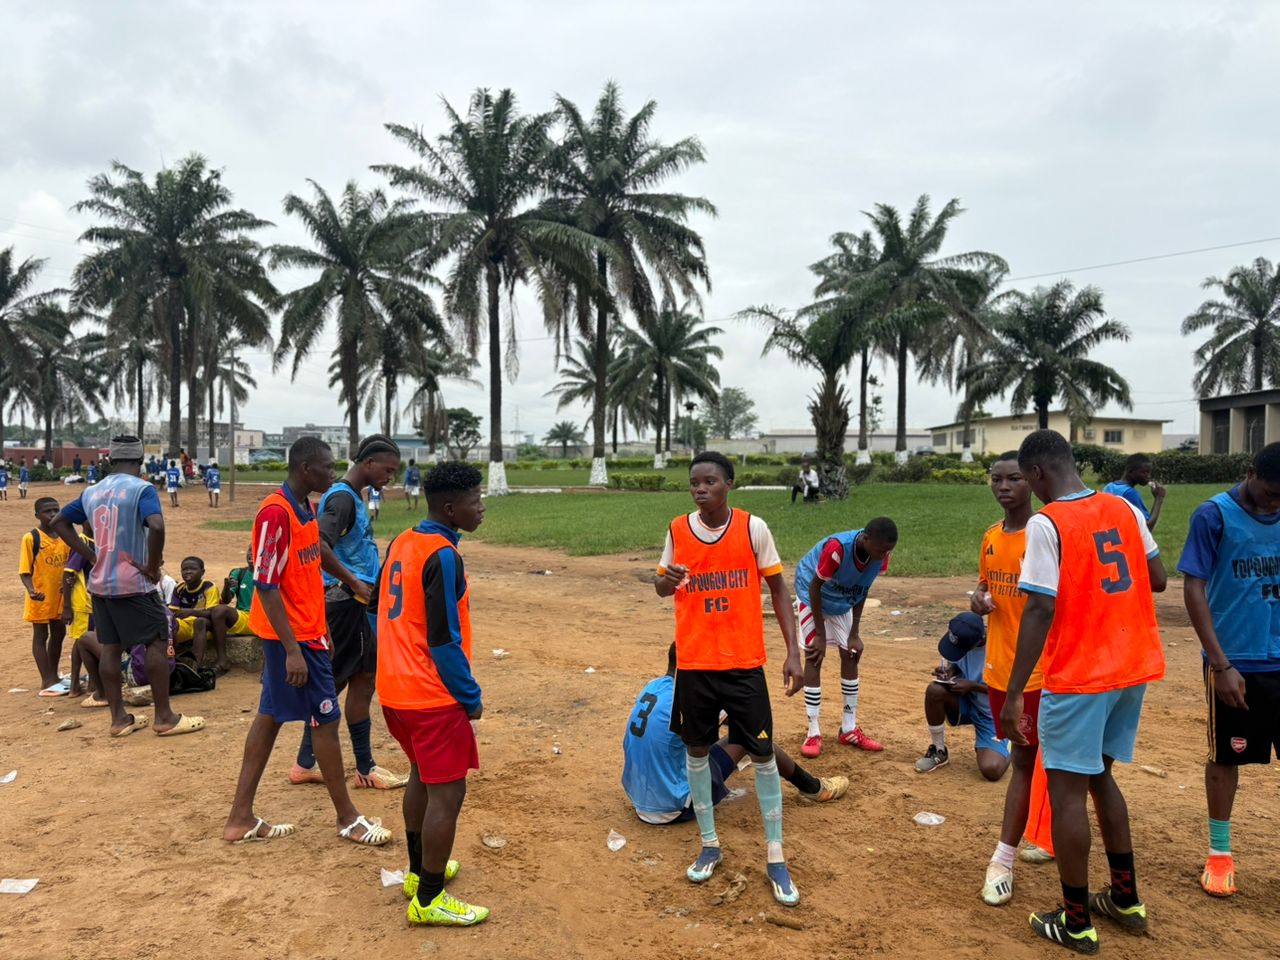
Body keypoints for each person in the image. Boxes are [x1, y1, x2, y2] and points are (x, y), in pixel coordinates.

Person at [1001, 429, 1165, 954]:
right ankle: (1125, 899)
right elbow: (1157, 577)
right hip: (1131, 667)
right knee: (1100, 778)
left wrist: (1013, 693)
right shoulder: (1125, 508)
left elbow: (1040, 606)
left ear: (1036, 474)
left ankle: (1076, 922)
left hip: (1080, 674)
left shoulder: (1047, 523)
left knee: (1067, 792)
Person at [223, 436, 391, 847]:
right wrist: (293, 650)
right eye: (327, 467)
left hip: (308, 631)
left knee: (270, 717)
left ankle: (240, 818)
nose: (333, 473)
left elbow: (313, 561)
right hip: (291, 638)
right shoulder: (275, 512)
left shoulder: (305, 509)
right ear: (305, 469)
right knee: (325, 721)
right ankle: (348, 818)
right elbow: (265, 585)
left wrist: (326, 621)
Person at [655, 451, 805, 906]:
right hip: (695, 665)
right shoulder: (677, 530)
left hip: (743, 664)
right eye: (694, 482)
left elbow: (779, 590)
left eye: (710, 482)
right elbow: (661, 587)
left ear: (729, 484)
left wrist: (793, 652)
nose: (700, 489)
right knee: (697, 750)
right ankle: (709, 844)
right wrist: (667, 579)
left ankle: (775, 855)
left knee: (762, 753)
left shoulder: (752, 528)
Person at [375, 461, 488, 925]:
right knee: (449, 793)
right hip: (431, 695)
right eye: (475, 501)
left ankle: (418, 873)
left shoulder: (402, 541)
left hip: (394, 690)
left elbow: (378, 609)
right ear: (450, 509)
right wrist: (469, 695)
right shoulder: (442, 555)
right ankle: (429, 899)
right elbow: (443, 641)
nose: (482, 507)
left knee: (421, 775)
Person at [1178, 441, 1280, 898]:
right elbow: (1193, 588)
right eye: (1271, 493)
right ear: (1250, 472)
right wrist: (1220, 664)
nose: (1275, 504)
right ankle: (1219, 855)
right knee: (1226, 756)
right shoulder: (1214, 515)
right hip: (1237, 661)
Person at [51, 435, 203, 737]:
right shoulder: (141, 489)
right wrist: (153, 566)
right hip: (134, 583)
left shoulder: (91, 491)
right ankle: (164, 717)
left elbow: (59, 522)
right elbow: (157, 525)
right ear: (141, 460)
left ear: (110, 459)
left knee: (110, 647)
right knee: (157, 641)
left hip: (100, 584)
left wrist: (91, 556)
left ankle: (119, 719)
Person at [291, 435, 407, 791]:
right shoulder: (342, 498)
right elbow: (319, 543)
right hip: (345, 604)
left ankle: (357, 766)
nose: (390, 477)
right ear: (368, 464)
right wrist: (354, 582)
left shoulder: (352, 496)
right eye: (387, 470)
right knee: (337, 683)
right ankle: (311, 763)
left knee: (363, 679)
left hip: (357, 605)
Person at [623, 642, 849, 824]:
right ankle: (813, 787)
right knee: (751, 738)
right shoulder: (691, 697)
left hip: (641, 799)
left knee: (699, 743)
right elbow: (749, 725)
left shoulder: (653, 686)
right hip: (674, 807)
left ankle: (806, 785)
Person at [969, 451, 1054, 905]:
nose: (1003, 486)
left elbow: (1051, 608)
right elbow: (984, 587)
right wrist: (977, 600)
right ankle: (1042, 837)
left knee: (1034, 761)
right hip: (1000, 670)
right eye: (996, 479)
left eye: (1014, 478)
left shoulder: (1044, 535)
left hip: (1038, 673)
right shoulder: (990, 537)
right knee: (1030, 758)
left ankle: (1003, 858)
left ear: (1032, 481)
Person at [793, 518, 897, 757]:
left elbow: (863, 589)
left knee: (851, 653)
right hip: (811, 593)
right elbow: (815, 587)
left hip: (841, 598)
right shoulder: (838, 549)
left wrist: (854, 634)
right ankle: (813, 732)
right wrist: (820, 635)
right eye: (881, 550)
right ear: (866, 539)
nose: (884, 556)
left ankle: (848, 729)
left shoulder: (881, 555)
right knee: (814, 655)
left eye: (888, 551)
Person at [914, 612, 1009, 778]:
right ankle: (939, 750)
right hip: (969, 700)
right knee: (935, 690)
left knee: (991, 769)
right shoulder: (964, 637)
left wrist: (972, 686)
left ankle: (1010, 742)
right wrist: (950, 671)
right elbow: (958, 664)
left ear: (979, 641)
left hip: (994, 715)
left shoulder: (1002, 648)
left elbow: (1011, 692)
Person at [19, 497, 72, 697]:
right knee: (41, 636)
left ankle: (54, 676)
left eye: (55, 510)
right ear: (37, 515)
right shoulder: (31, 538)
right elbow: (25, 571)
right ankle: (47, 680)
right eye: (47, 511)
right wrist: (32, 590)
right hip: (40, 597)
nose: (52, 514)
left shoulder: (64, 535)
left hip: (60, 597)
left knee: (59, 634)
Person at [169, 556, 224, 670]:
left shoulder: (208, 587)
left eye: (193, 569)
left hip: (204, 626)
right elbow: (173, 610)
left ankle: (195, 665)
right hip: (185, 624)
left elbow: (213, 613)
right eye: (184, 569)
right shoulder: (179, 588)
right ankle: (172, 662)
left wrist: (191, 612)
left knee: (200, 622)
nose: (188, 572)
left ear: (202, 572)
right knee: (167, 624)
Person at [61, 523, 96, 700]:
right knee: (81, 641)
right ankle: (76, 684)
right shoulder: (82, 543)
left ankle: (91, 682)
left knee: (91, 640)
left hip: (95, 602)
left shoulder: (98, 541)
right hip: (83, 602)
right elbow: (68, 574)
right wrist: (67, 607)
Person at [1103, 454, 1166, 532]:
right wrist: (1159, 498)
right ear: (1130, 471)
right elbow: (1147, 528)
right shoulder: (1129, 493)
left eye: (1149, 473)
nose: (1149, 476)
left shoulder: (1109, 486)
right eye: (1145, 472)